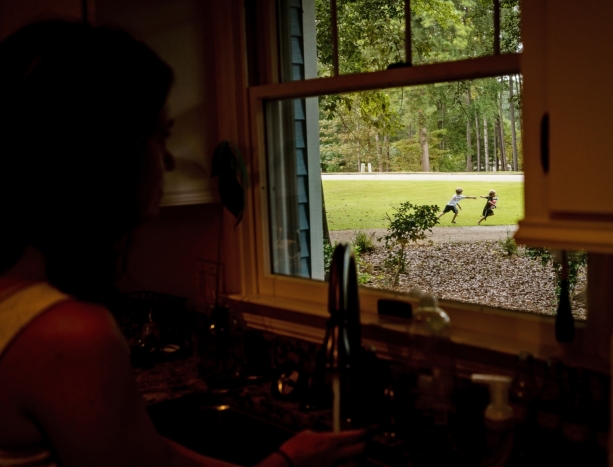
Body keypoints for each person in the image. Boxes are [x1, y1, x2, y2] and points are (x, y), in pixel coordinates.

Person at [0, 20, 365, 467]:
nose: (170, 159)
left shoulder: (16, 296)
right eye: (161, 135)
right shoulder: (69, 337)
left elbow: (149, 454)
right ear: (103, 153)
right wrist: (288, 464)